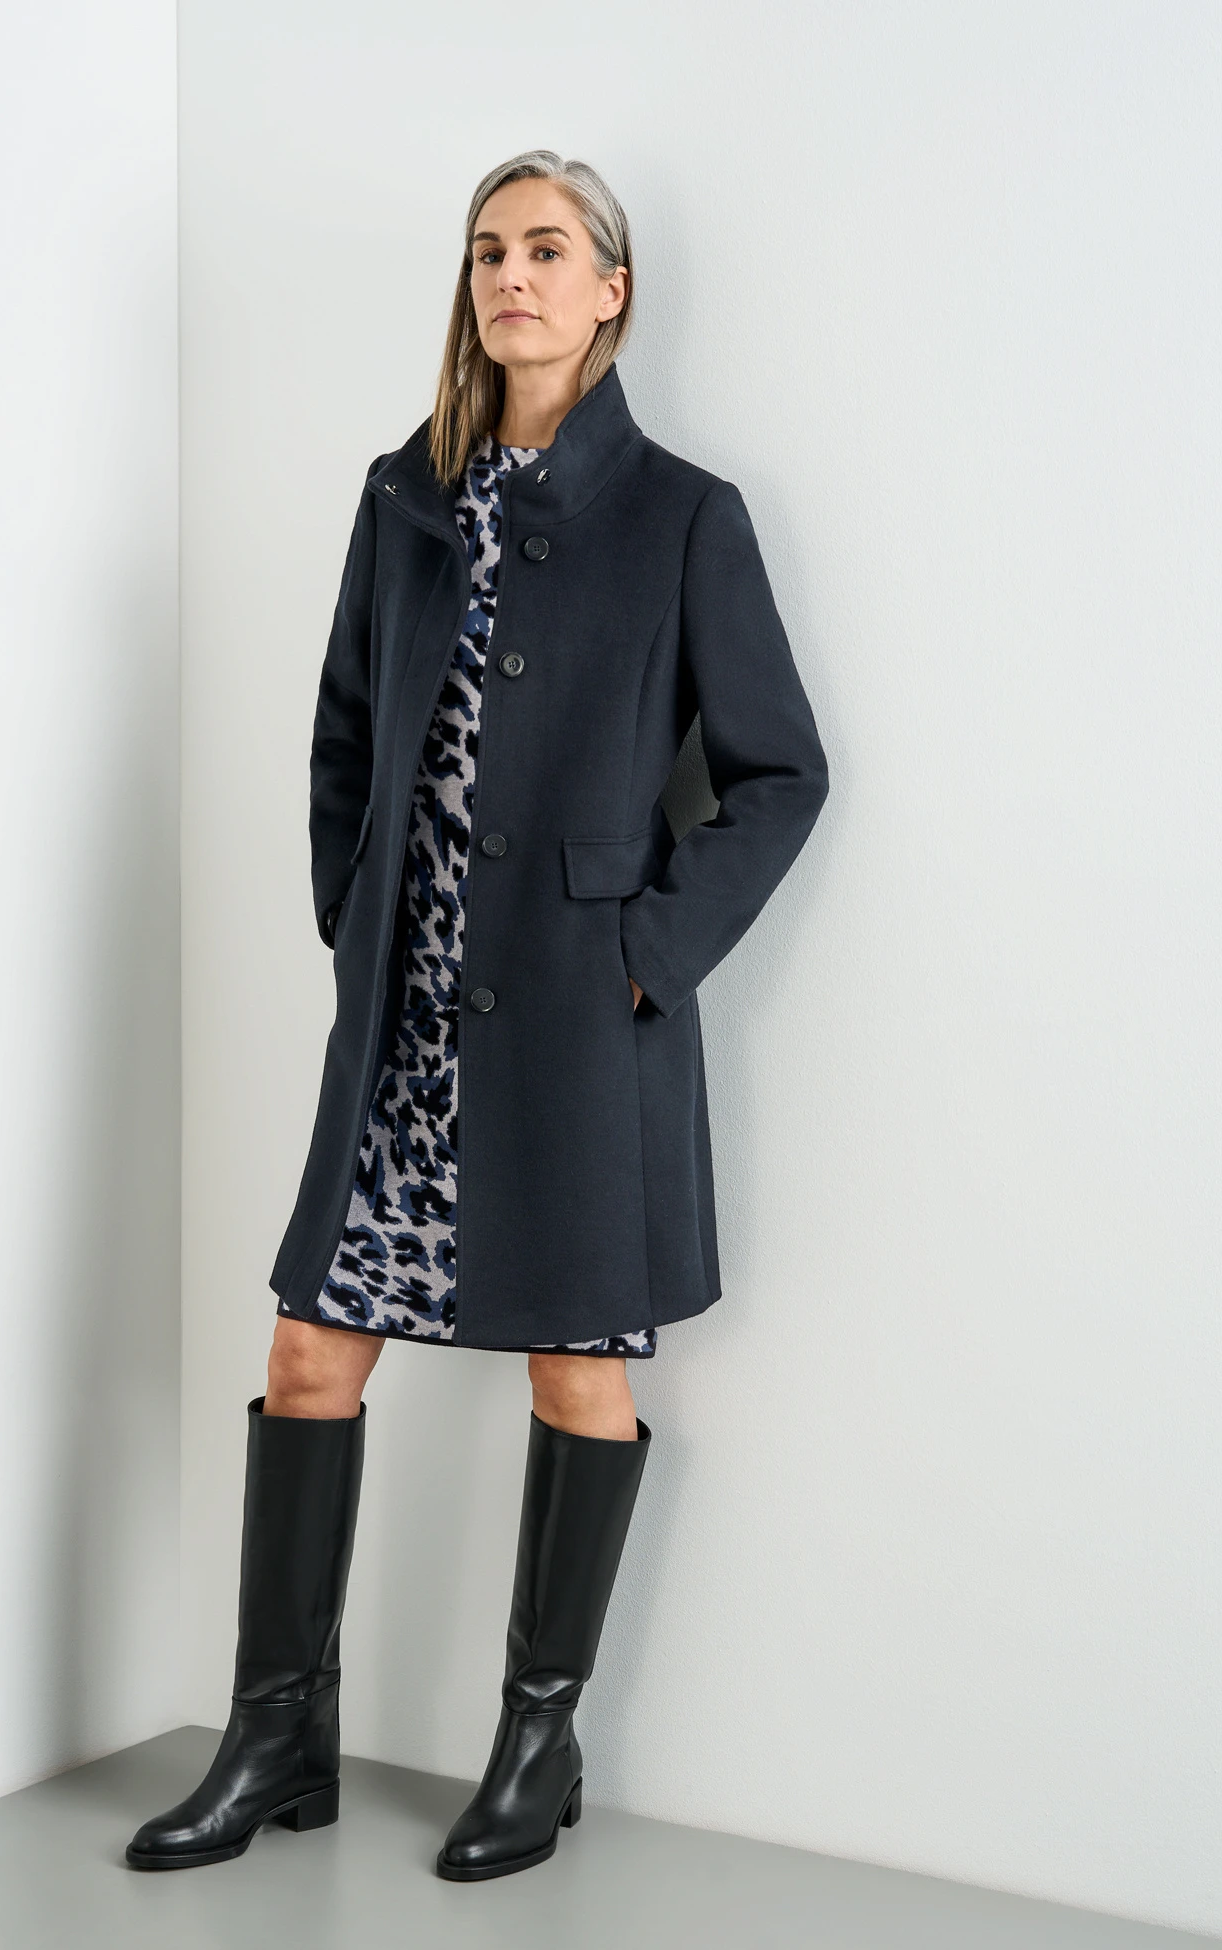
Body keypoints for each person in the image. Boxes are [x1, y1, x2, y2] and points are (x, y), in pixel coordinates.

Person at [126, 149, 828, 1884]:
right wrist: (353, 909)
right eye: (489, 250)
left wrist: (646, 951)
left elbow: (782, 772)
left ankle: (539, 1739)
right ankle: (277, 1734)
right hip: (406, 1022)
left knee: (577, 1367)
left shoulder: (683, 515)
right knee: (309, 1351)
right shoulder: (405, 496)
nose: (512, 275)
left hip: (579, 1020)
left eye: (548, 249)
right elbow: (341, 732)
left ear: (611, 291)